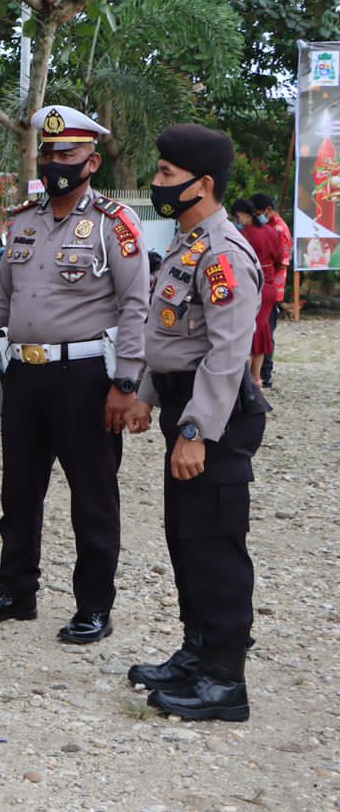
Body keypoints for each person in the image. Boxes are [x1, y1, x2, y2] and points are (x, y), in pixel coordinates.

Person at [0, 106, 148, 643]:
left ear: (92, 160)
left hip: (86, 378)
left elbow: (135, 305)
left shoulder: (115, 224)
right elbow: (1, 300)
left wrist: (126, 381)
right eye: (49, 153)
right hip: (25, 376)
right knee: (18, 493)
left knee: (92, 498)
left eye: (67, 154)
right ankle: (16, 591)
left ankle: (94, 606)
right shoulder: (22, 220)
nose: (56, 162)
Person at [125, 124, 267, 722]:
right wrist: (148, 395)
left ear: (202, 184)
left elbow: (227, 353)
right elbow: (174, 340)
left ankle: (225, 681)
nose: (156, 184)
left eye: (165, 175)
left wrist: (195, 431)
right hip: (186, 405)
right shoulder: (187, 247)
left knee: (215, 544)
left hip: (217, 417)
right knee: (185, 538)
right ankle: (197, 651)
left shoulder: (223, 253)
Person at [231, 199, 280, 389]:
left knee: (248, 331)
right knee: (262, 329)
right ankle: (256, 378)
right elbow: (278, 259)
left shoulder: (242, 235)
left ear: (244, 214)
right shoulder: (272, 232)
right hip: (269, 286)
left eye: (238, 216)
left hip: (251, 286)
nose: (238, 220)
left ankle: (247, 379)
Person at [250, 194, 290, 386]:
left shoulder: (278, 229)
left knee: (266, 330)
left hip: (271, 285)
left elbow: (281, 261)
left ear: (266, 210)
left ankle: (265, 373)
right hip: (270, 285)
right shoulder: (271, 227)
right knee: (264, 328)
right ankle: (262, 373)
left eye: (257, 213)